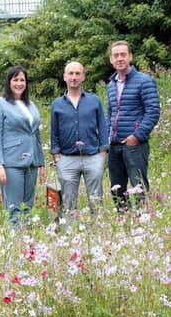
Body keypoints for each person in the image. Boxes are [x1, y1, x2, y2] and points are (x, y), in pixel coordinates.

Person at [0, 65, 46, 227]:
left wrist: (41, 163)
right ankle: (16, 244)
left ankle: (27, 243)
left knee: (28, 207)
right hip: (11, 163)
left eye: (22, 80)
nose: (19, 83)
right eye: (15, 80)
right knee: (14, 209)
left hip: (31, 162)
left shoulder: (31, 105)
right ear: (8, 82)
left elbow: (35, 134)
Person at [106, 41, 160, 210]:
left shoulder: (144, 81)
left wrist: (136, 136)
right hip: (114, 147)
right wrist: (108, 137)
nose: (120, 58)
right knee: (117, 190)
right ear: (111, 60)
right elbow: (111, 113)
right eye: (116, 55)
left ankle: (141, 223)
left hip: (134, 146)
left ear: (130, 57)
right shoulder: (111, 85)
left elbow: (153, 111)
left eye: (123, 55)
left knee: (138, 189)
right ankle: (123, 224)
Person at [50, 61, 108, 213]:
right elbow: (54, 131)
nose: (74, 77)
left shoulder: (94, 101)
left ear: (83, 77)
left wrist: (103, 151)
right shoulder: (57, 104)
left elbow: (102, 126)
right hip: (67, 158)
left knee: (96, 200)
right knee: (68, 203)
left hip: (93, 156)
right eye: (71, 73)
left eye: (77, 73)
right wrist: (56, 155)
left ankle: (98, 233)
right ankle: (69, 232)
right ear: (65, 77)